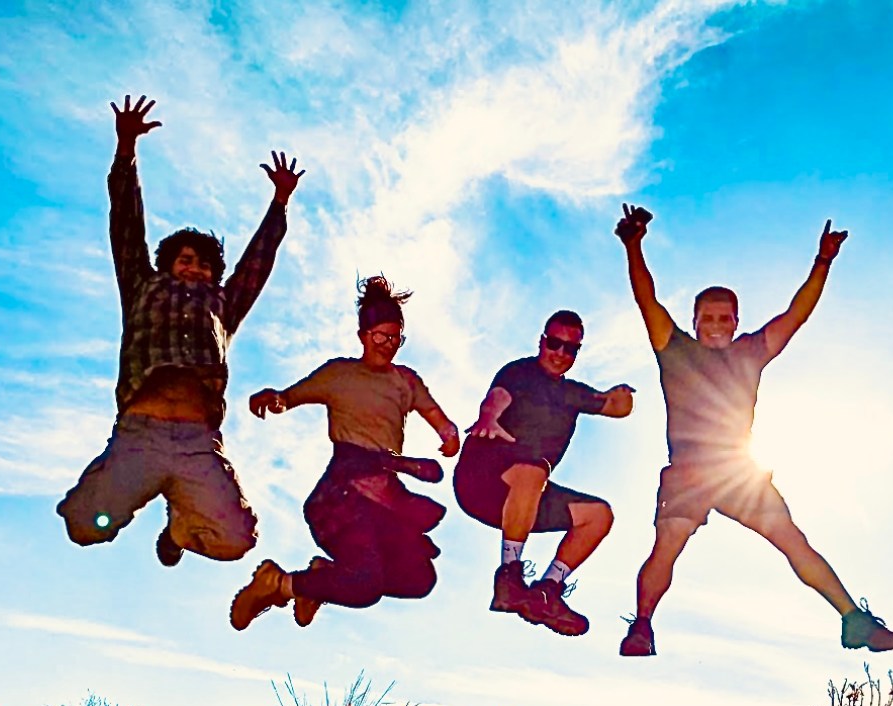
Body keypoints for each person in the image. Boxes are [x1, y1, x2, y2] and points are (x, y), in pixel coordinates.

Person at [615, 202, 893, 656]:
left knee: (791, 538)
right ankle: (641, 627)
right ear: (694, 322)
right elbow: (646, 300)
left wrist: (823, 262)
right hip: (690, 470)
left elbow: (796, 315)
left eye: (724, 318)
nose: (716, 326)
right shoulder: (674, 348)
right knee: (668, 542)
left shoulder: (750, 352)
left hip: (737, 469)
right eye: (707, 318)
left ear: (736, 322)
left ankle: (854, 621)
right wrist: (633, 246)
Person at [57, 95, 303, 567]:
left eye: (204, 265)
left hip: (197, 442)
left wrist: (280, 203)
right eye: (185, 260)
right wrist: (126, 150)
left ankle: (180, 526)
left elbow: (256, 265)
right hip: (139, 435)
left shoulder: (222, 304)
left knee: (235, 541)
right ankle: (136, 486)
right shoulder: (142, 286)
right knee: (84, 526)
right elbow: (125, 226)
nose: (194, 269)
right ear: (167, 264)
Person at [229, 275, 461, 630]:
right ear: (363, 335)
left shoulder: (405, 380)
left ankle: (323, 578)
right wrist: (274, 399)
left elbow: (432, 412)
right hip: (342, 496)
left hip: (383, 496)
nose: (387, 345)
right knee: (365, 585)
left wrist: (448, 433)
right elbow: (290, 397)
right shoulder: (340, 374)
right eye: (380, 336)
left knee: (419, 578)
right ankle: (277, 584)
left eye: (395, 338)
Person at [453, 312, 635, 636]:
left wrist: (622, 397)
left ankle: (545, 593)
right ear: (542, 342)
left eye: (570, 349)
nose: (561, 354)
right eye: (555, 344)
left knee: (598, 516)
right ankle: (509, 576)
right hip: (480, 482)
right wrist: (488, 417)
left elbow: (615, 407)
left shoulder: (573, 393)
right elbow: (497, 397)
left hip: (526, 498)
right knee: (534, 471)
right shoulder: (520, 372)